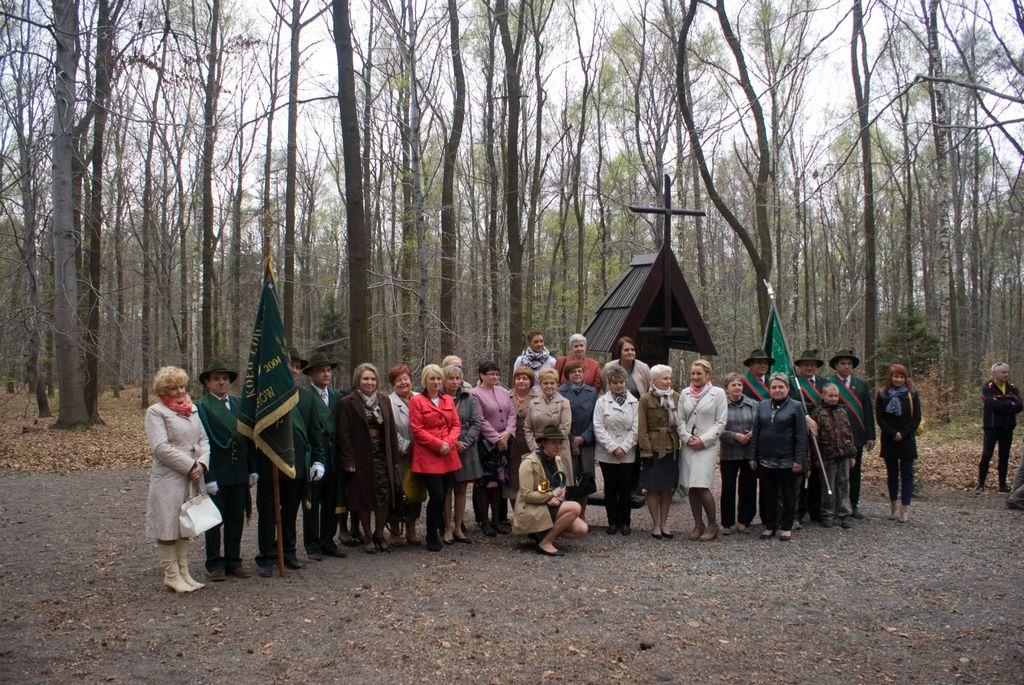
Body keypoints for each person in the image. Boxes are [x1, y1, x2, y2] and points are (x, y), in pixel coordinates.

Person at [255, 348, 325, 576]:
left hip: (297, 466)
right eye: (289, 365)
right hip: (270, 465)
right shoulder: (265, 395)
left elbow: (315, 432)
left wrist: (318, 460)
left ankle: (288, 551)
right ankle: (266, 556)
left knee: (290, 513)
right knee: (267, 513)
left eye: (296, 366)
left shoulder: (306, 396)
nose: (294, 369)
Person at [145, 366, 210, 593]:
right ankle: (171, 575)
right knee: (167, 527)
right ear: (164, 390)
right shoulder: (156, 412)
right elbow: (160, 448)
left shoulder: (192, 409)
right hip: (169, 478)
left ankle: (184, 572)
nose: (180, 391)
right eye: (174, 388)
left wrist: (201, 463)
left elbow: (203, 440)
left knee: (184, 525)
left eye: (182, 386)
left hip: (192, 476)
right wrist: (189, 465)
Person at [196, 358, 256, 581]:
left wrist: (253, 469)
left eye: (224, 378)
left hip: (239, 471)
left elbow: (249, 440)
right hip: (217, 474)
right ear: (208, 383)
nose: (221, 382)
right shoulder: (201, 408)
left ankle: (234, 560)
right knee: (214, 520)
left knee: (235, 518)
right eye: (216, 379)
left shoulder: (240, 405)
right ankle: (214, 564)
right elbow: (201, 443)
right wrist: (208, 477)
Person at [339, 363, 401, 553]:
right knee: (364, 496)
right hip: (361, 458)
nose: (369, 382)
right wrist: (348, 461)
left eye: (373, 379)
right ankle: (367, 536)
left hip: (383, 457)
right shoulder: (348, 402)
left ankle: (379, 533)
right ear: (358, 380)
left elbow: (391, 431)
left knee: (384, 496)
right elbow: (344, 433)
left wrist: (395, 460)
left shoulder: (384, 401)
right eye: (366, 378)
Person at [512, 425, 589, 556]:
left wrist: (558, 497)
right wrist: (550, 497)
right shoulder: (529, 463)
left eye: (559, 443)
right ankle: (546, 542)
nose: (558, 446)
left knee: (582, 529)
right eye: (554, 443)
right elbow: (526, 495)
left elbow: (561, 486)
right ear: (543, 443)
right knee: (575, 507)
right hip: (532, 508)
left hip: (551, 505)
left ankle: (541, 533)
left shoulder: (557, 460)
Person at [409, 364, 462, 552]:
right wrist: (438, 444)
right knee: (437, 495)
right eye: (432, 379)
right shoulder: (417, 402)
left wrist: (449, 442)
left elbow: (456, 425)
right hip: (428, 455)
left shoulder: (447, 399)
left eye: (439, 379)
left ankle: (438, 530)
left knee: (444, 493)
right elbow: (417, 429)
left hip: (448, 454)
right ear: (425, 381)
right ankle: (431, 534)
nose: (436, 382)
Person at [302, 351, 349, 560]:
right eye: (321, 370)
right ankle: (312, 545)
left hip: (334, 456)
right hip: (315, 456)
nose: (326, 374)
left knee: (332, 500)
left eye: (328, 370)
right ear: (311, 373)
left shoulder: (338, 396)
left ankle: (328, 540)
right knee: (312, 503)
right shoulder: (304, 397)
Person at [750, 373, 807, 541]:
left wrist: (798, 459)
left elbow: (801, 436)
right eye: (774, 387)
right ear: (769, 389)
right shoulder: (762, 405)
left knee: (789, 494)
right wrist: (752, 456)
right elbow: (755, 433)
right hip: (765, 459)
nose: (777, 390)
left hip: (787, 460)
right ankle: (770, 526)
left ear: (787, 388)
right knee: (768, 494)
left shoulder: (796, 406)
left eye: (781, 387)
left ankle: (786, 526)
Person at [677, 359, 728, 541]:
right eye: (693, 373)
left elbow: (721, 422)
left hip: (707, 446)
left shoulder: (718, 393)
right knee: (691, 486)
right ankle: (698, 524)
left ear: (708, 375)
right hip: (689, 445)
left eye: (699, 373)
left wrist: (703, 440)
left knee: (702, 485)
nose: (695, 377)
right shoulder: (684, 393)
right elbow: (680, 419)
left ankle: (713, 524)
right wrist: (686, 437)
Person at [827, 349, 875, 518]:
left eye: (849, 363)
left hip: (856, 435)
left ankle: (853, 505)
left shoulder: (862, 385)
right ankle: (832, 506)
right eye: (842, 363)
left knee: (854, 471)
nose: (846, 366)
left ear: (853, 366)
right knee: (834, 472)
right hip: (833, 436)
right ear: (836, 366)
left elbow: (868, 411)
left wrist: (871, 435)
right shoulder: (828, 383)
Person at [470, 361, 516, 536]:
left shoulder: (504, 392)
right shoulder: (474, 394)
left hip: (503, 444)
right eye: (491, 374)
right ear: (482, 375)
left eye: (497, 374)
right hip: (485, 446)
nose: (495, 377)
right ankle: (484, 520)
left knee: (498, 484)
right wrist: (496, 438)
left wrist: (507, 434)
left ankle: (497, 519)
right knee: (483, 484)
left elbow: (512, 414)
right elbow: (479, 420)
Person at [594, 365, 639, 535]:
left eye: (621, 382)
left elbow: (636, 428)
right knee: (610, 487)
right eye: (615, 383)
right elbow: (598, 427)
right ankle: (612, 521)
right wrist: (613, 447)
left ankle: (626, 522)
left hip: (627, 452)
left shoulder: (634, 402)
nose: (619, 385)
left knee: (625, 487)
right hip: (607, 452)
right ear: (610, 384)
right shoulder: (601, 402)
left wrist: (624, 447)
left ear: (625, 383)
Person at [637, 364, 680, 539]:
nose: (668, 381)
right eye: (664, 378)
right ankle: (655, 524)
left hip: (672, 446)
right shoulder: (645, 399)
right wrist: (645, 450)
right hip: (653, 448)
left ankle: (664, 523)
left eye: (669, 378)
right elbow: (642, 427)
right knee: (653, 487)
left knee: (667, 488)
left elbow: (681, 422)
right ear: (654, 380)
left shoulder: (675, 397)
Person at [876, 364, 922, 522]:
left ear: (905, 378)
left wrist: (903, 433)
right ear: (890, 377)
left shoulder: (912, 394)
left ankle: (905, 507)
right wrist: (892, 433)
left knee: (907, 474)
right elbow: (880, 418)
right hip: (889, 439)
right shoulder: (882, 394)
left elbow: (916, 417)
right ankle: (893, 505)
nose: (898, 379)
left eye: (901, 377)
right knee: (892, 474)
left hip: (906, 439)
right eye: (895, 376)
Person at [443, 364, 482, 541]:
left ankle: (458, 527)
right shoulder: (438, 397)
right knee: (446, 489)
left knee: (461, 489)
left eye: (457, 378)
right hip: (445, 449)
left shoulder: (469, 397)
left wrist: (465, 442)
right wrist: (451, 443)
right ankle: (446, 528)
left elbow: (476, 423)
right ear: (444, 379)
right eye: (451, 378)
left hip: (465, 449)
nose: (454, 381)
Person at [558, 360, 598, 519]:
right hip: (567, 441)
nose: (577, 374)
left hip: (586, 442)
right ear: (567, 375)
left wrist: (583, 438)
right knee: (568, 479)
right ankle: (567, 517)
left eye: (580, 371)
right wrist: (572, 438)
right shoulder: (560, 392)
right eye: (573, 372)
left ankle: (581, 516)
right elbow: (560, 418)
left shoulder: (592, 393)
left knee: (585, 480)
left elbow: (595, 419)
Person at [719, 372, 757, 535]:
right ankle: (727, 522)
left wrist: (752, 434)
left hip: (749, 453)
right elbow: (717, 429)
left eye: (739, 385)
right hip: (729, 452)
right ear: (726, 388)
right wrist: (735, 436)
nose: (737, 387)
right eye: (733, 385)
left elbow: (760, 425)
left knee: (748, 487)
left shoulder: (753, 404)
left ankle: (744, 521)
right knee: (728, 487)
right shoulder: (721, 405)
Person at [792, 349, 828, 525]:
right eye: (806, 365)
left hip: (822, 434)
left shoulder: (824, 383)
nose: (809, 367)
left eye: (812, 365)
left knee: (818, 471)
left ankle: (816, 510)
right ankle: (799, 510)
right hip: (801, 433)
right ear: (800, 367)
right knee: (803, 471)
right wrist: (805, 418)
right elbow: (791, 405)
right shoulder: (794, 384)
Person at [523, 368, 574, 489]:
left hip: (559, 448)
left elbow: (565, 427)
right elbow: (527, 427)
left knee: (559, 488)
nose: (549, 386)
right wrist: (535, 447)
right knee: (540, 487)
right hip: (538, 449)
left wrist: (550, 446)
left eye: (552, 383)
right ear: (540, 385)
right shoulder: (533, 403)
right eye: (545, 383)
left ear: (557, 384)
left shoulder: (564, 403)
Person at [389, 365, 422, 544]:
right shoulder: (389, 402)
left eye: (406, 378)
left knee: (416, 491)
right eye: (398, 380)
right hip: (401, 455)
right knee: (398, 491)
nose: (403, 382)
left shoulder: (419, 397)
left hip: (421, 455)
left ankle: (411, 529)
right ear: (393, 383)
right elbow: (391, 432)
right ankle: (395, 530)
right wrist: (408, 446)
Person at [815, 383, 856, 529]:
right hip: (827, 455)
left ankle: (845, 514)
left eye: (836, 396)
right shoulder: (818, 413)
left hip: (843, 454)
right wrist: (816, 458)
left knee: (844, 483)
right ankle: (827, 514)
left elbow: (849, 433)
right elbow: (815, 438)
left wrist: (852, 454)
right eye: (830, 396)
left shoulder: (842, 412)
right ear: (823, 396)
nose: (834, 398)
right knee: (828, 485)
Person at [978, 362, 1022, 494]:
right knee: (987, 455)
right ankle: (980, 484)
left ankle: (1002, 485)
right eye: (1003, 372)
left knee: (1004, 456)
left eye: (1007, 372)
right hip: (991, 427)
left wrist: (1005, 405)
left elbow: (1020, 405)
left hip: (1008, 428)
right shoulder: (988, 387)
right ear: (994, 374)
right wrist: (1010, 405)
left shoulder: (1012, 388)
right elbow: (992, 405)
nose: (1006, 375)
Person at [508, 367, 539, 512]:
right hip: (511, 444)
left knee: (531, 478)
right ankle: (517, 515)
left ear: (531, 381)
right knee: (513, 479)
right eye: (518, 378)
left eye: (525, 378)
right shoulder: (506, 395)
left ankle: (532, 516)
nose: (521, 381)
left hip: (530, 443)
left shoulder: (538, 397)